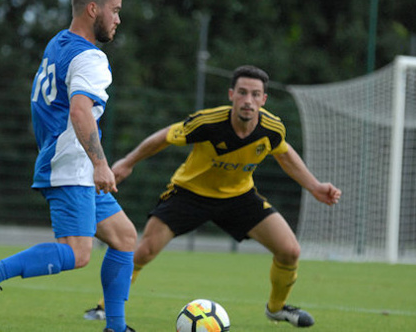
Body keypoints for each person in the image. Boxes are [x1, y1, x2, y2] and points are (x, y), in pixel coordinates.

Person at [83, 65, 342, 328]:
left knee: (290, 251)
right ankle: (105, 308)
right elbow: (164, 137)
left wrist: (315, 187)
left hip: (239, 197)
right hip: (189, 194)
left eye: (255, 95)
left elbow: (284, 154)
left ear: (264, 100)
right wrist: (128, 162)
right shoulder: (208, 122)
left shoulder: (272, 128)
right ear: (231, 94)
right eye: (242, 93)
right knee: (143, 252)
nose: (248, 101)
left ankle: (276, 309)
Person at [0, 0, 137, 332]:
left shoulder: (58, 42)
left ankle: (117, 328)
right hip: (73, 166)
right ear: (93, 9)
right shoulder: (91, 58)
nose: (118, 19)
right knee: (78, 253)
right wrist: (100, 164)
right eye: (115, 10)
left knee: (124, 237)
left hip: (64, 160)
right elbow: (79, 110)